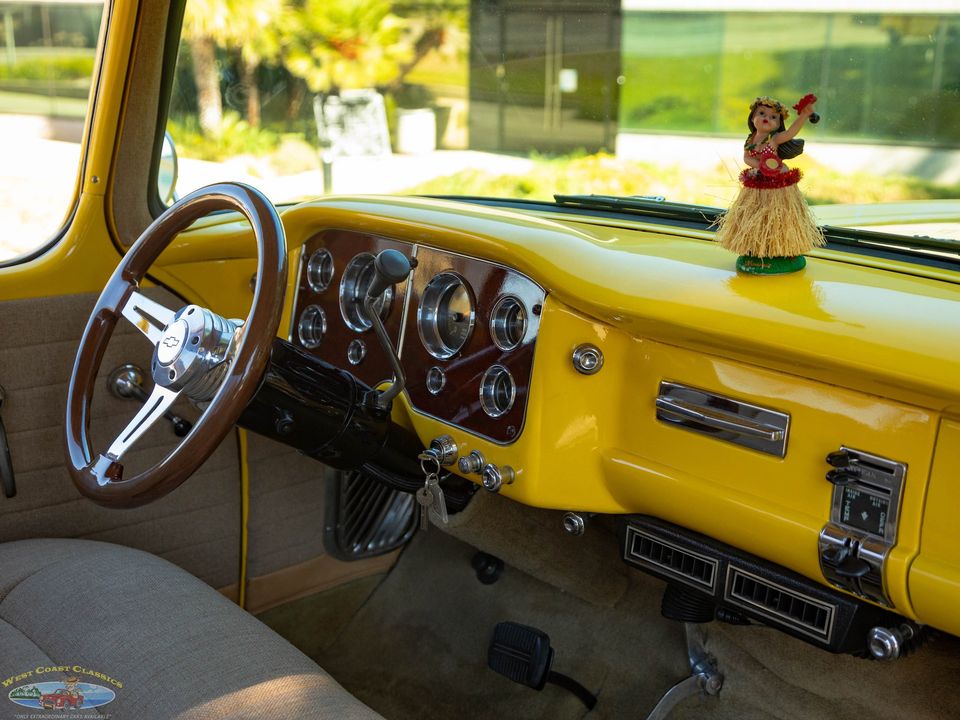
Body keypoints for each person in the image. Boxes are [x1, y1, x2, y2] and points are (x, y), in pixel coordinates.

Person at [715, 95, 825, 274]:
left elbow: (791, 133)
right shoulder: (750, 140)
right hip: (758, 182)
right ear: (752, 117)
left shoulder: (774, 139)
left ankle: (785, 246)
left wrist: (803, 116)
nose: (767, 118)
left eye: (774, 117)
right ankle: (756, 246)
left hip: (778, 183)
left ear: (778, 123)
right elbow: (746, 158)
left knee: (781, 215)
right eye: (762, 113)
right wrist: (760, 166)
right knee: (755, 213)